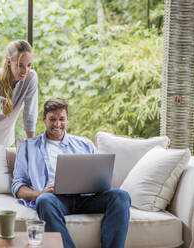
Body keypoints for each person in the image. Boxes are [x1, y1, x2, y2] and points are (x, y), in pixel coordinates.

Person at [11, 98, 131, 248]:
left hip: (86, 198)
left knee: (121, 196)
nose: (57, 124)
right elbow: (17, 185)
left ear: (68, 119)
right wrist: (40, 193)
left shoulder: (85, 144)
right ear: (44, 119)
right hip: (55, 200)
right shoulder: (28, 147)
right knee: (44, 201)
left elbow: (100, 177)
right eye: (52, 119)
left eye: (61, 119)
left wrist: (100, 183)